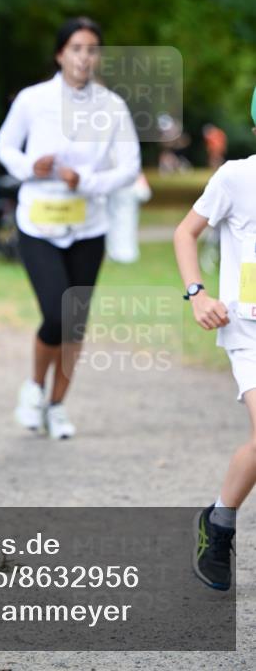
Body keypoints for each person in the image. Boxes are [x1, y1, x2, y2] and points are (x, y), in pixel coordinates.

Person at [0, 17, 140, 439]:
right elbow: (5, 146)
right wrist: (29, 167)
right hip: (38, 222)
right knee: (56, 314)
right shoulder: (32, 99)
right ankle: (35, 389)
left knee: (75, 324)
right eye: (76, 48)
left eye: (92, 49)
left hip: (88, 225)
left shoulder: (112, 106)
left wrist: (88, 182)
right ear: (61, 54)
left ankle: (57, 405)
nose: (84, 56)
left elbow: (130, 167)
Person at [173, 87, 256, 591]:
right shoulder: (237, 177)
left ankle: (219, 519)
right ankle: (220, 528)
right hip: (249, 329)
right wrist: (198, 294)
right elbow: (186, 233)